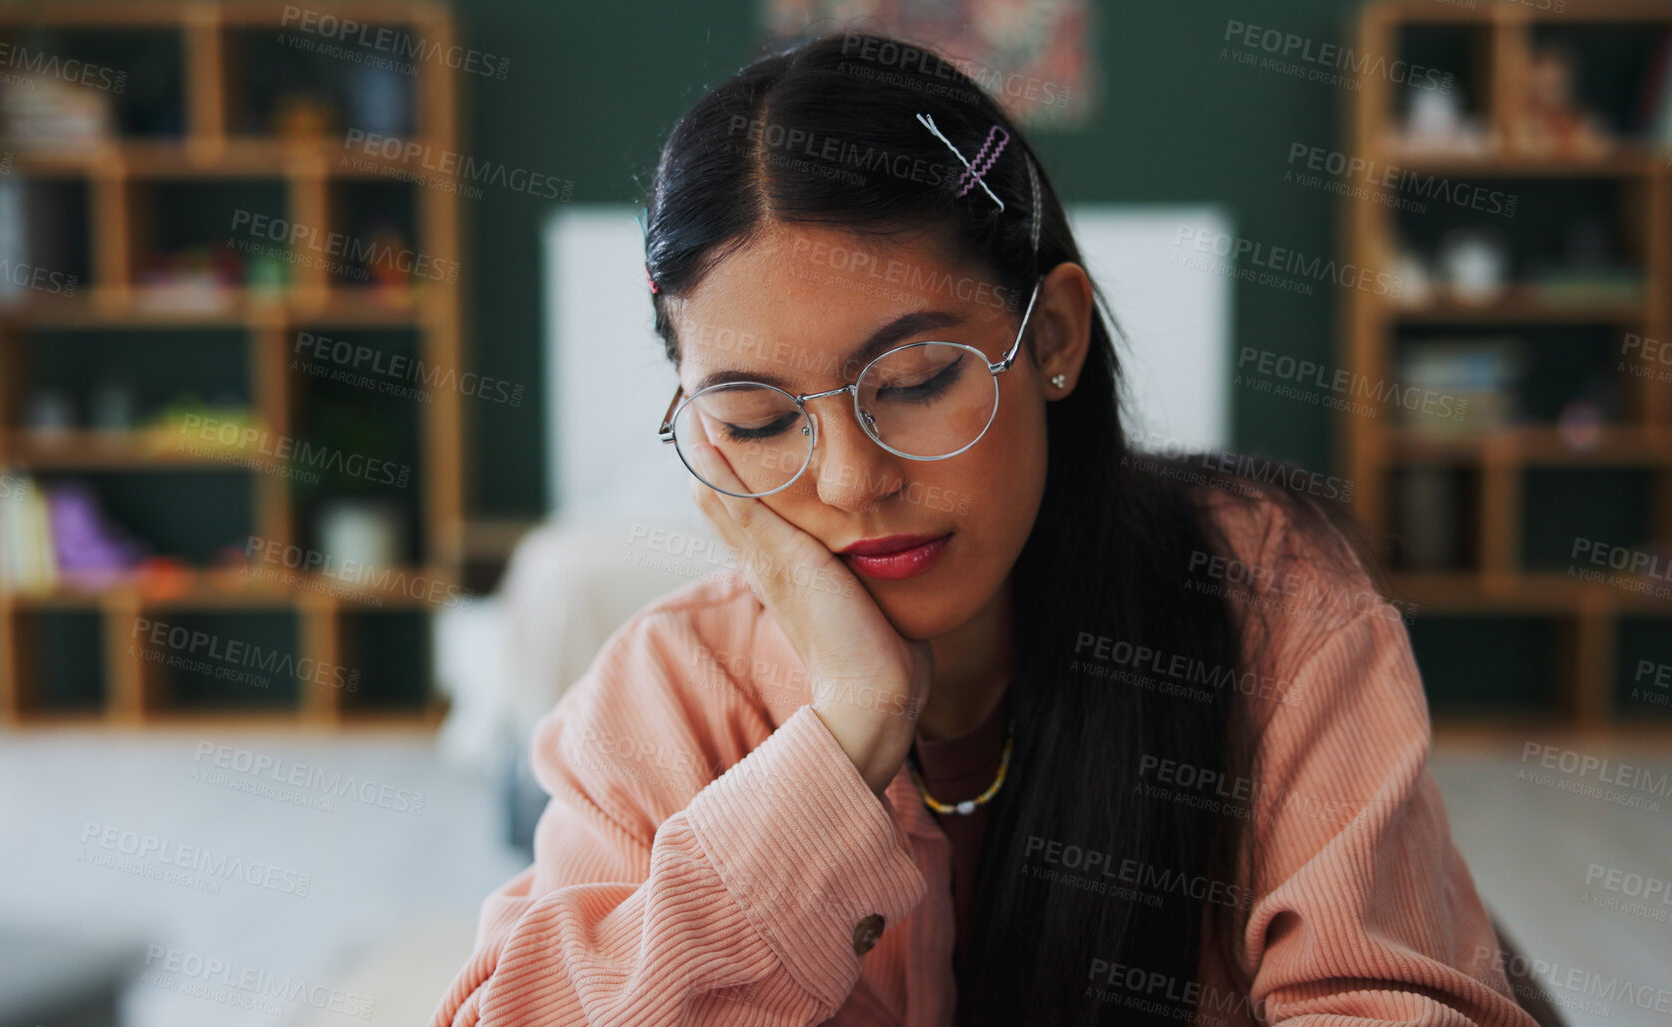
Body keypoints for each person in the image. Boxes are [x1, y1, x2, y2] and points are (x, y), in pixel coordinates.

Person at [431, 31, 1538, 1027]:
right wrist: (845, 737)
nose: (853, 480)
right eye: (758, 420)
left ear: (1052, 336)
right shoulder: (669, 694)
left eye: (916, 381)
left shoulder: (1268, 598)